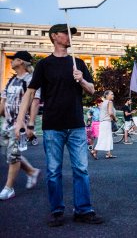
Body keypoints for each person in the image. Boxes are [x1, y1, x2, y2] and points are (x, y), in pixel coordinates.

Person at [16, 23, 103, 226]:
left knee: (81, 169)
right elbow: (31, 92)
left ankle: (83, 210)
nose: (70, 37)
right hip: (52, 126)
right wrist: (21, 120)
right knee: (54, 171)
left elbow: (92, 90)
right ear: (55, 36)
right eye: (67, 33)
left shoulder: (78, 63)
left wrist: (81, 80)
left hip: (76, 125)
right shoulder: (44, 65)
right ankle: (57, 211)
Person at [0, 51, 41, 200]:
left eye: (14, 59)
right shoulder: (12, 80)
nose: (11, 62)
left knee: (14, 155)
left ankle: (8, 188)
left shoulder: (31, 80)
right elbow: (3, 100)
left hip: (20, 125)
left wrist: (30, 125)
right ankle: (32, 171)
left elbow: (35, 102)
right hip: (7, 123)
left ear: (21, 62)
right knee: (10, 154)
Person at [92, 91, 117, 158]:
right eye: (111, 94)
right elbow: (110, 113)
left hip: (102, 123)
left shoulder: (103, 103)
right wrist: (115, 119)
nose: (113, 95)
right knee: (105, 138)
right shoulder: (110, 102)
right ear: (107, 95)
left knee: (105, 137)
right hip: (107, 122)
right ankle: (94, 151)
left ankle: (108, 153)